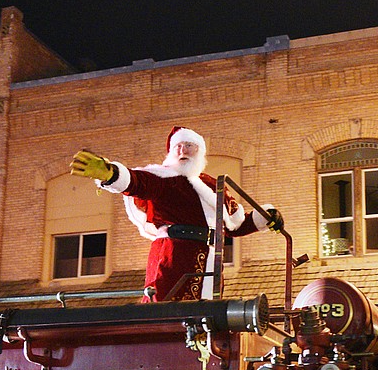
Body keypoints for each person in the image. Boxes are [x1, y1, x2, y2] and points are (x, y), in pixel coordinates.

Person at [69, 127, 284, 302]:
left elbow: (233, 226)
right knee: (166, 310)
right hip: (173, 257)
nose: (182, 151)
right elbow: (138, 182)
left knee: (207, 315)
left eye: (188, 146)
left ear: (199, 150)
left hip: (210, 258)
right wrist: (111, 174)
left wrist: (266, 217)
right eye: (178, 147)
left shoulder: (212, 184)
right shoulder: (164, 179)